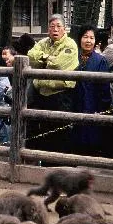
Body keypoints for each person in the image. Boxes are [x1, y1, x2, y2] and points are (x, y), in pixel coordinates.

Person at [27, 14, 79, 153]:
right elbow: (31, 56)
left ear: (64, 29)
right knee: (41, 130)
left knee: (59, 132)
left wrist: (43, 60)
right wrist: (47, 57)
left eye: (58, 26)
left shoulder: (70, 44)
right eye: (52, 26)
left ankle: (59, 164)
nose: (55, 29)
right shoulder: (43, 42)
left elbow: (59, 64)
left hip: (60, 95)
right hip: (41, 94)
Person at [72, 24, 111, 157]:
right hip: (74, 107)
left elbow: (104, 89)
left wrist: (101, 110)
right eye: (85, 37)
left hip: (92, 107)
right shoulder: (72, 58)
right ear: (79, 39)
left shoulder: (101, 61)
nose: (88, 41)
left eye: (91, 38)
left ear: (95, 41)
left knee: (90, 147)